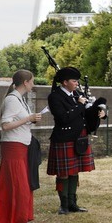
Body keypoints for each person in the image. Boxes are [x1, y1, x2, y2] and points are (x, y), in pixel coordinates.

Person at [0, 69, 44, 223]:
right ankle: (6, 221)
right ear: (25, 82)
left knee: (22, 184)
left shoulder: (20, 99)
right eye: (32, 81)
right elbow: (5, 125)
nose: (33, 84)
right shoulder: (12, 100)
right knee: (12, 184)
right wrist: (28, 118)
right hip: (13, 147)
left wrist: (31, 120)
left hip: (21, 146)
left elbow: (19, 121)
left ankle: (20, 217)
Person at [47, 66, 101, 214]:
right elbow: (64, 118)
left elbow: (86, 112)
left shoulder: (77, 93)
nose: (77, 83)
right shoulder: (55, 97)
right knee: (64, 173)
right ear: (64, 82)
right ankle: (63, 205)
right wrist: (79, 104)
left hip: (79, 138)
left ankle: (73, 204)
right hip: (64, 138)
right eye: (74, 81)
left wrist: (98, 112)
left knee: (74, 171)